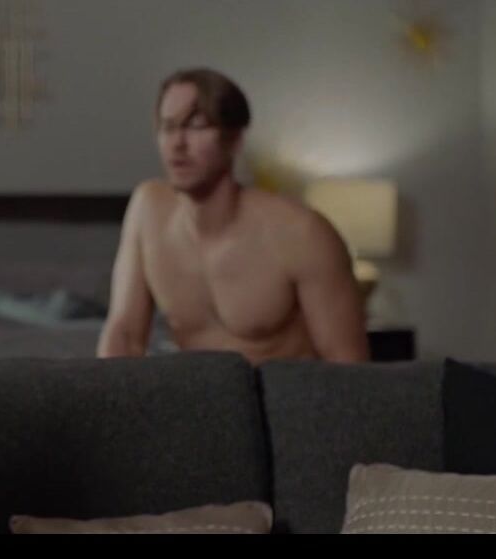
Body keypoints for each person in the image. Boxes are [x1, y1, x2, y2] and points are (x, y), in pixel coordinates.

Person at [97, 68, 369, 364]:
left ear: (234, 140)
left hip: (278, 391)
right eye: (168, 127)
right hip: (199, 390)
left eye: (196, 126)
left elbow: (347, 366)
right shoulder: (148, 209)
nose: (177, 143)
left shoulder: (301, 232)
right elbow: (124, 334)